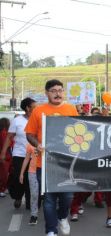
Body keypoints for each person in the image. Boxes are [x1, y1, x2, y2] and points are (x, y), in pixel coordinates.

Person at [25, 79, 78, 236]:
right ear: (46, 93)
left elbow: (79, 130)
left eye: (60, 90)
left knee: (67, 196)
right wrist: (38, 144)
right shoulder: (38, 111)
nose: (57, 93)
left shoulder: (71, 108)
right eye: (53, 90)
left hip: (67, 163)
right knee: (49, 199)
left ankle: (62, 217)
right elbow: (29, 134)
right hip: (45, 163)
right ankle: (51, 230)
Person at [0, 97, 36, 209]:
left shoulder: (39, 119)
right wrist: (3, 153)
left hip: (35, 155)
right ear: (28, 108)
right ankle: (18, 196)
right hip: (19, 154)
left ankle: (31, 201)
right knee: (18, 177)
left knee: (32, 178)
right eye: (35, 106)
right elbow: (9, 137)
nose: (38, 108)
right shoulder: (17, 120)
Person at [19, 144, 40, 225]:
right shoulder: (30, 144)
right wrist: (21, 173)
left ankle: (50, 215)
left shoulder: (47, 140)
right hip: (32, 172)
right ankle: (34, 215)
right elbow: (27, 159)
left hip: (45, 172)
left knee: (47, 196)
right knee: (34, 194)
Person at [0, 117, 11, 198]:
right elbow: (6, 144)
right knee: (4, 174)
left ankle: (4, 188)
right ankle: (2, 189)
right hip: (5, 156)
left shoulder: (2, 132)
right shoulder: (4, 133)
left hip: (5, 156)